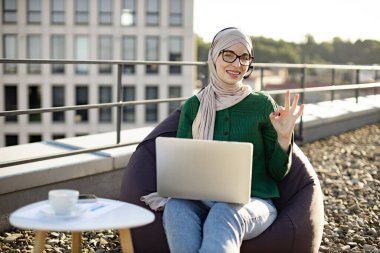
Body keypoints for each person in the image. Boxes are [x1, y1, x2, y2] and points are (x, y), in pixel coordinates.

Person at [160, 27, 305, 253]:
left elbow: (277, 173)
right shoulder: (194, 106)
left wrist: (284, 137)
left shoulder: (262, 105)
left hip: (255, 202)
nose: (237, 64)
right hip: (200, 200)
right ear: (213, 57)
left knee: (223, 213)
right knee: (175, 207)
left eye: (244, 57)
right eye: (228, 55)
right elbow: (181, 170)